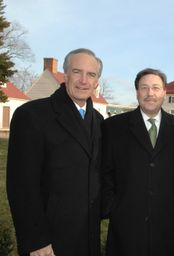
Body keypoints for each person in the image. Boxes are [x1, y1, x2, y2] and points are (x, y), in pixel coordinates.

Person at [6, 48, 104, 256]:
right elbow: (21, 186)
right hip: (49, 243)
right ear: (65, 74)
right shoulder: (32, 115)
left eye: (91, 75)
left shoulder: (98, 121)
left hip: (87, 238)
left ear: (97, 82)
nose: (83, 80)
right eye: (77, 72)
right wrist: (36, 241)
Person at [101, 68, 174, 255]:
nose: (150, 93)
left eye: (156, 88)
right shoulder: (113, 127)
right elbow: (104, 172)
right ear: (137, 92)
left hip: (166, 227)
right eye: (144, 88)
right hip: (125, 226)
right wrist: (113, 208)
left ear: (165, 92)